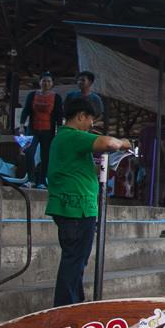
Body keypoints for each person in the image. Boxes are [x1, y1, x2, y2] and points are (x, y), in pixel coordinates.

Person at [47, 95, 132, 306]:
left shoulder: (68, 141)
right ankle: (65, 308)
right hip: (76, 209)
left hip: (78, 207)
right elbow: (107, 142)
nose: (92, 124)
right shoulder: (72, 136)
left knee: (77, 261)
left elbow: (85, 170)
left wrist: (109, 166)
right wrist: (123, 143)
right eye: (90, 119)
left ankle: (74, 303)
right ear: (81, 116)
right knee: (74, 261)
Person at [20, 73, 62, 188]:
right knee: (28, 152)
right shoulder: (32, 95)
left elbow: (58, 115)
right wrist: (21, 125)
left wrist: (59, 131)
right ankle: (31, 180)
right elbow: (26, 110)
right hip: (32, 129)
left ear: (52, 84)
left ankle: (42, 181)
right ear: (40, 82)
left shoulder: (56, 97)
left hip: (48, 131)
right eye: (44, 81)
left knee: (46, 156)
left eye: (49, 81)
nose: (46, 83)